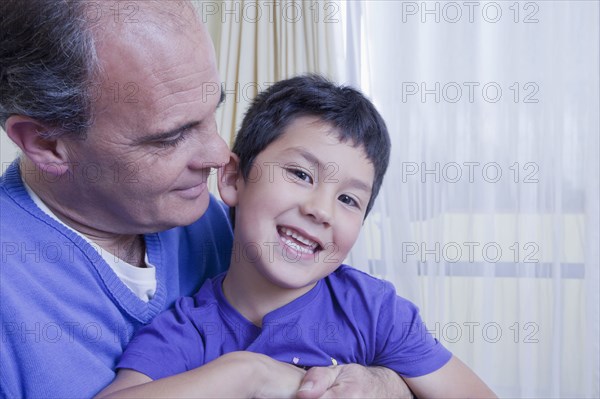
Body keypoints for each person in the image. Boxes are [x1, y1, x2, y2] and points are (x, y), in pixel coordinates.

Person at [1, 1, 411, 398]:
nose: (219, 155)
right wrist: (248, 375)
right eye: (170, 136)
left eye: (211, 112)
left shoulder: (216, 220)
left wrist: (383, 384)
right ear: (46, 142)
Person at [96, 75, 496, 398]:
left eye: (348, 199)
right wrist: (245, 375)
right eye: (301, 175)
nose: (321, 210)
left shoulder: (373, 311)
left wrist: (387, 384)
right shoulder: (188, 330)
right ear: (234, 178)